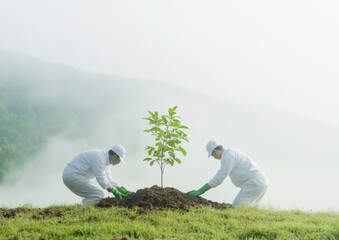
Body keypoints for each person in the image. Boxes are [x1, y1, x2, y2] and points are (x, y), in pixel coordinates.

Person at [188, 140, 268, 208]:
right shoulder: (230, 153)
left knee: (237, 208)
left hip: (254, 183)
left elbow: (220, 177)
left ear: (215, 151)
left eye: (212, 155)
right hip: (260, 181)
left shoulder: (228, 156)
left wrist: (201, 190)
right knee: (249, 208)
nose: (213, 157)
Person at [62, 144, 134, 206]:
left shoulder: (105, 160)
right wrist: (114, 191)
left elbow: (108, 178)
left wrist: (121, 189)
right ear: (115, 157)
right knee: (98, 194)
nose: (119, 162)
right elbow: (101, 177)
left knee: (93, 194)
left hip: (76, 176)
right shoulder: (99, 158)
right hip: (72, 175)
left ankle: (85, 210)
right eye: (119, 160)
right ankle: (85, 212)